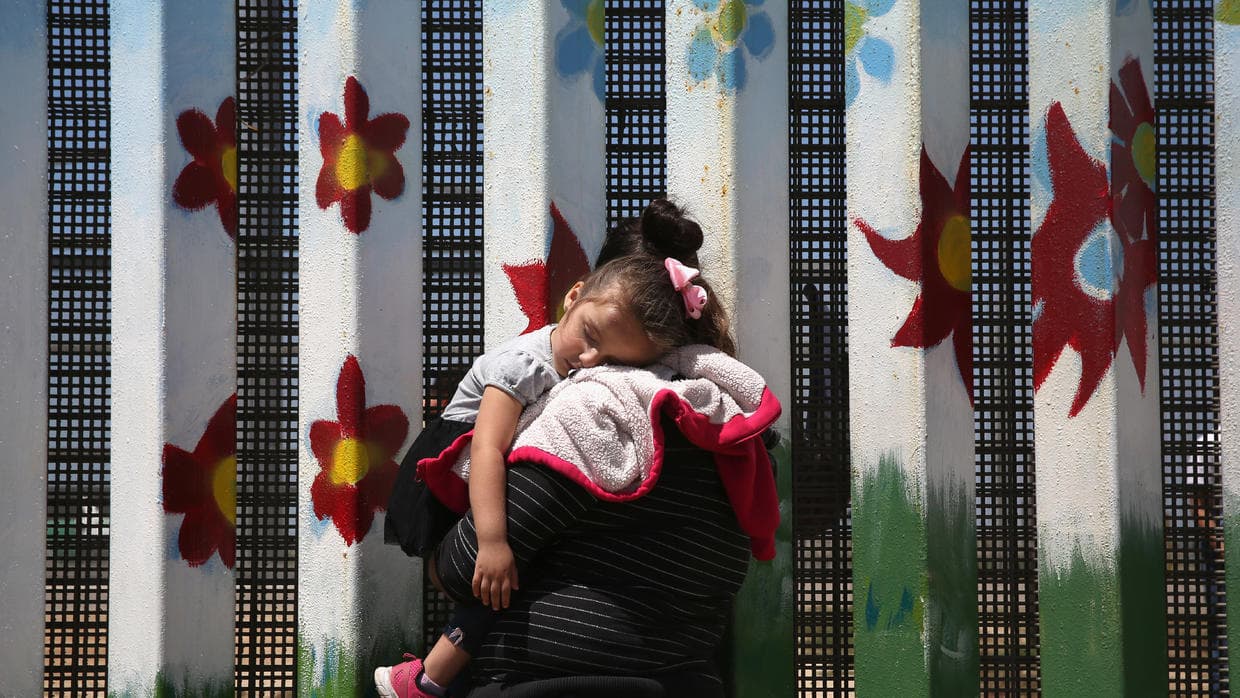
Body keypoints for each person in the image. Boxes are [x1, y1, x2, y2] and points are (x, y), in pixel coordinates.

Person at [379, 199, 747, 698]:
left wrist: (487, 548)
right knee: (500, 570)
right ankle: (431, 677)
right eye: (592, 340)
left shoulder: (592, 403)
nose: (592, 361)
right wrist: (490, 543)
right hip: (454, 476)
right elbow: (485, 450)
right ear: (576, 297)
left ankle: (427, 679)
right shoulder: (528, 369)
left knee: (499, 576)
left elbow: (466, 568)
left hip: (542, 672)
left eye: (612, 356)